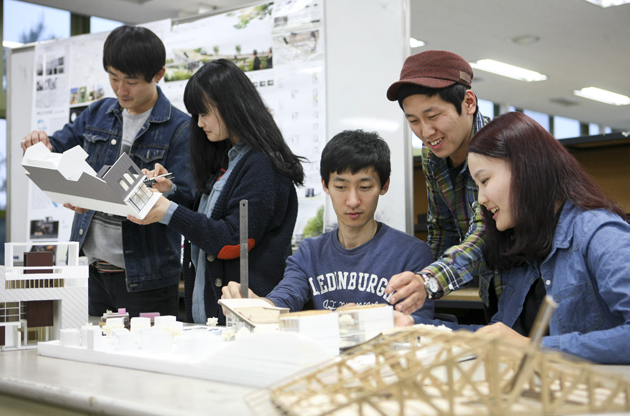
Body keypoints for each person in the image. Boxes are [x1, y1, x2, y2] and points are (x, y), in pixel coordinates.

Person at [423, 111, 630, 364]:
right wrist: (416, 326)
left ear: (526, 168)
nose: (481, 198)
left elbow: (521, 344)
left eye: (485, 180)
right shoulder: (522, 244)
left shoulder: (600, 233)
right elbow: (498, 337)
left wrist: (533, 347)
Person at [21, 25, 194, 318]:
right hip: (90, 271)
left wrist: (167, 189)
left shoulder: (180, 128)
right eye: (113, 78)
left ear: (158, 75)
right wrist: (40, 143)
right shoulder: (97, 113)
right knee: (88, 358)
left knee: (141, 359)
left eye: (131, 81)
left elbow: (188, 199)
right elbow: (58, 146)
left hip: (146, 278)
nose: (121, 90)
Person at [128, 59, 304, 324]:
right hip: (211, 319)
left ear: (231, 108)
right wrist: (171, 194)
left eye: (204, 113)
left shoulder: (261, 166)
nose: (199, 124)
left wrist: (169, 211)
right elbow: (209, 221)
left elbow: (232, 240)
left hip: (247, 319)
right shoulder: (228, 158)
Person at [221, 130, 435, 326]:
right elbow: (284, 299)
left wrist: (369, 321)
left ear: (384, 185)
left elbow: (420, 327)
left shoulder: (411, 254)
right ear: (325, 185)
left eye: (365, 187)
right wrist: (255, 305)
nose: (352, 201)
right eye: (341, 187)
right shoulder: (310, 252)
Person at [384, 50, 497, 321]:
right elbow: (442, 228)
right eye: (413, 121)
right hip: (490, 290)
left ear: (468, 102)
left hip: (533, 285)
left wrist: (428, 281)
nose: (425, 132)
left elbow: (487, 233)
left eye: (433, 116)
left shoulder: (500, 148)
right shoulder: (432, 155)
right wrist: (413, 283)